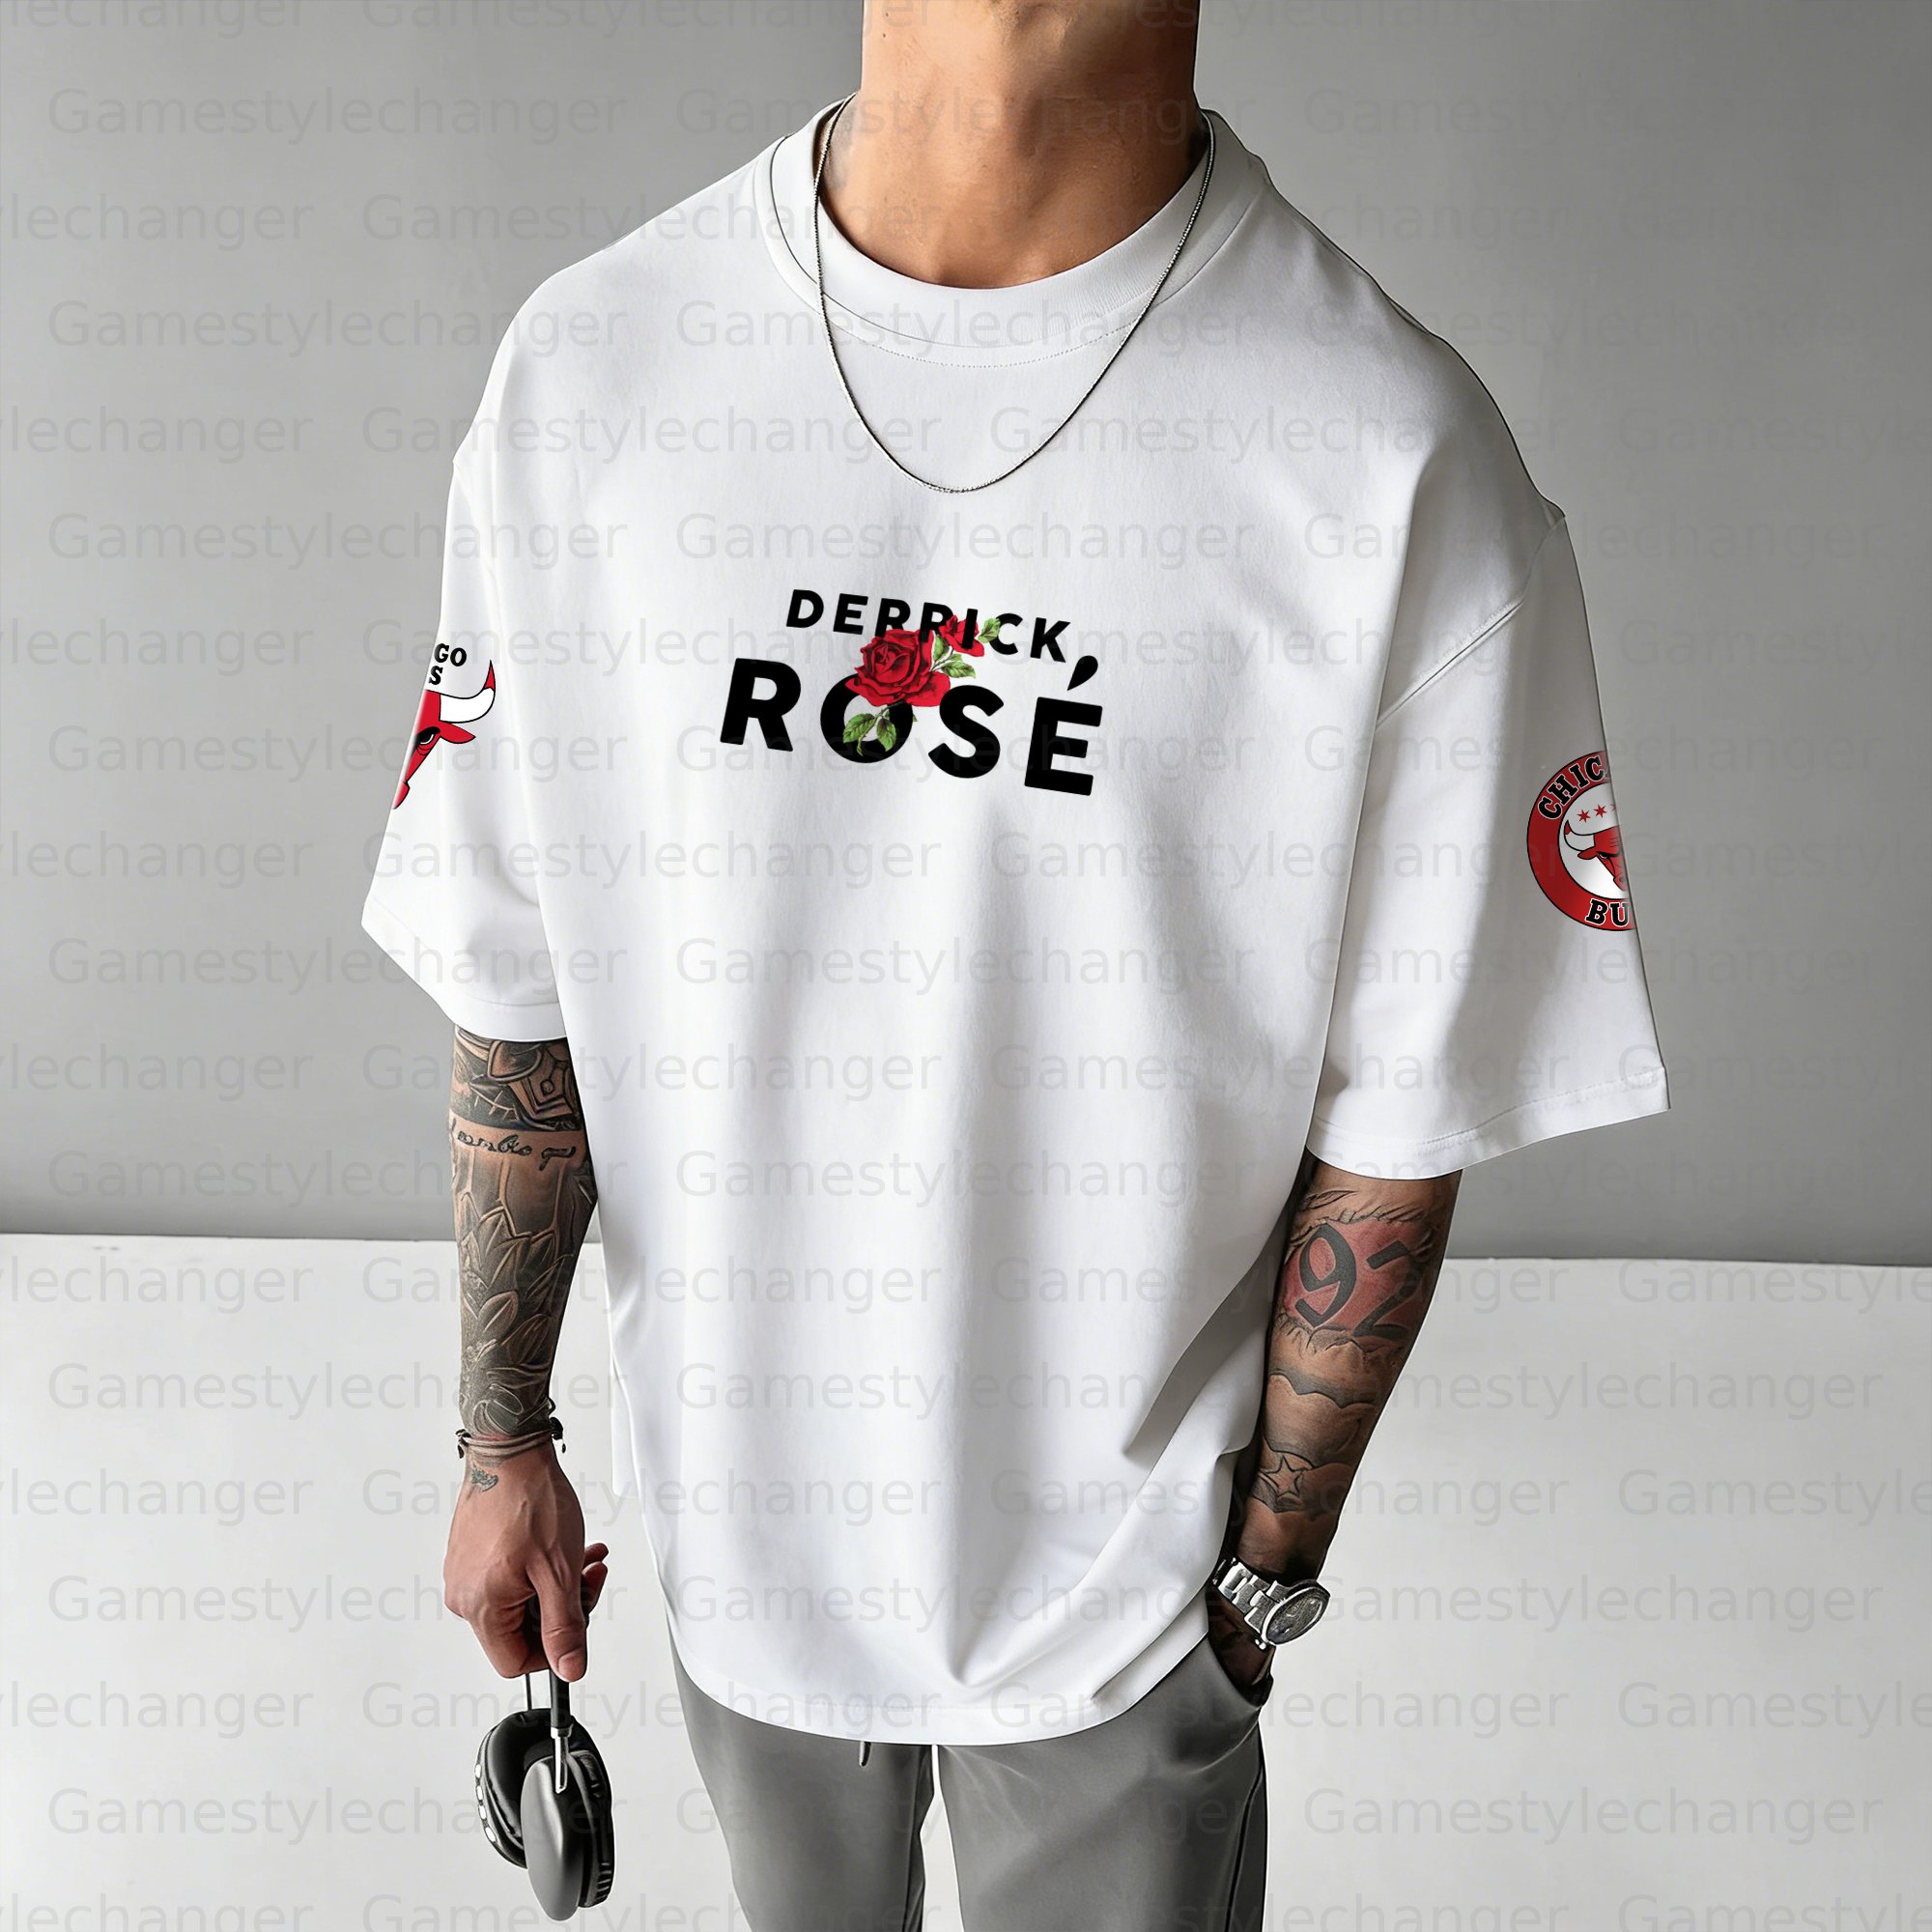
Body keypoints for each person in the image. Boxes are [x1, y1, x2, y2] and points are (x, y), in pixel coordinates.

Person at [361, 5, 1667, 1926]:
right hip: (733, 1553)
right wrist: (504, 1441)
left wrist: (1252, 1593)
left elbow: (1401, 1120)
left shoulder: (1393, 459)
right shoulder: (593, 373)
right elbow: (518, 974)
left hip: (1128, 1615)